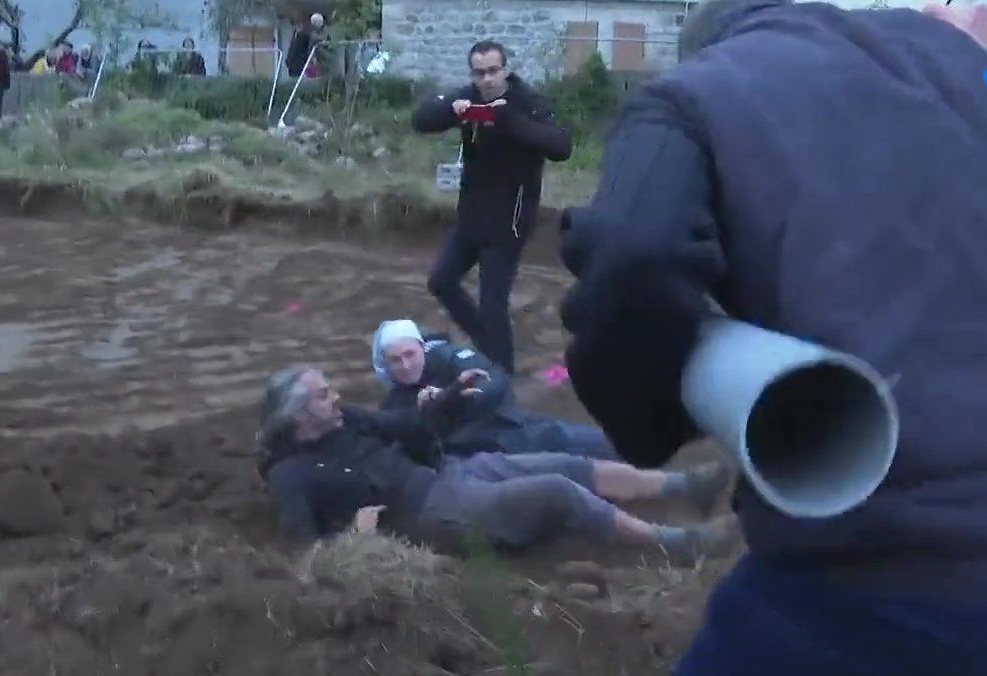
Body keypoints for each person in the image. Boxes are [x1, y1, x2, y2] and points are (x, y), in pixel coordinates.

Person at [556, 0, 987, 676]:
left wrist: (654, 418)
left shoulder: (692, 96)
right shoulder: (955, 62)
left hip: (872, 567)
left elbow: (634, 257)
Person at [256, 366, 739, 561]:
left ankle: (684, 487)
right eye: (323, 395)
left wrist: (446, 399)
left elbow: (403, 427)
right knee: (557, 490)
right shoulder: (291, 475)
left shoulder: (344, 420)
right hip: (428, 513)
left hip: (448, 471)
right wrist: (355, 539)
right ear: (298, 414)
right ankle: (678, 545)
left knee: (567, 463)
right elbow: (302, 556)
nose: (336, 397)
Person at [412, 40, 572, 374]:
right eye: (479, 72)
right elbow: (422, 119)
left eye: (493, 71)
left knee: (492, 304)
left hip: (510, 220)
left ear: (506, 69)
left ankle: (502, 374)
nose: (486, 79)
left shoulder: (527, 102)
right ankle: (487, 345)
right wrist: (451, 111)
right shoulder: (468, 96)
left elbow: (561, 146)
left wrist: (506, 119)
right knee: (441, 281)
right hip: (472, 216)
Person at [373, 318, 628, 461]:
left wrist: (455, 398)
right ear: (386, 365)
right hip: (497, 460)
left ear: (422, 347)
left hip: (520, 429)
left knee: (618, 447)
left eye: (410, 354)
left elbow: (495, 379)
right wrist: (426, 412)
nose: (406, 365)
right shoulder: (393, 405)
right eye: (396, 360)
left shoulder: (447, 357)